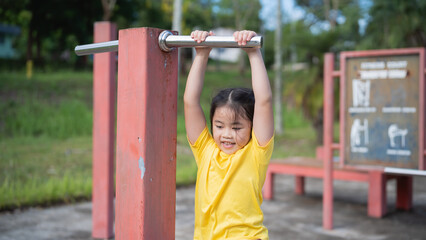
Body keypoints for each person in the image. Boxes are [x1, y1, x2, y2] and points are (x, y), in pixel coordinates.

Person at [184, 30, 274, 240]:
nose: (227, 135)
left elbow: (264, 101)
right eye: (219, 126)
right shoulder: (206, 151)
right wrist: (202, 54)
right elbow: (190, 102)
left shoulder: (255, 153)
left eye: (236, 127)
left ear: (252, 127)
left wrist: (253, 53)